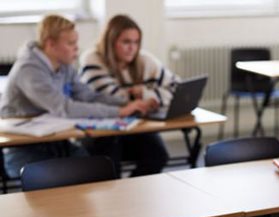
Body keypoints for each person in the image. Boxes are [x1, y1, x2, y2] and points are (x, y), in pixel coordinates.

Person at [0, 14, 151, 178]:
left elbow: (88, 96)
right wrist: (119, 112)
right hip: (25, 147)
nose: (76, 48)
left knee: (95, 169)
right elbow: (64, 107)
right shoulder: (29, 70)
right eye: (71, 43)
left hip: (56, 139)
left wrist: (125, 103)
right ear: (50, 44)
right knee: (69, 179)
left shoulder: (64, 65)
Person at [79, 14, 177, 176]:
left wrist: (145, 93)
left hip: (134, 127)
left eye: (136, 42)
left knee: (158, 156)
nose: (132, 48)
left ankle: (132, 190)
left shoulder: (144, 60)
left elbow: (175, 87)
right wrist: (150, 98)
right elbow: (113, 99)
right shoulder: (92, 59)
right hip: (102, 130)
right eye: (126, 42)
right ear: (111, 42)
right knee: (110, 164)